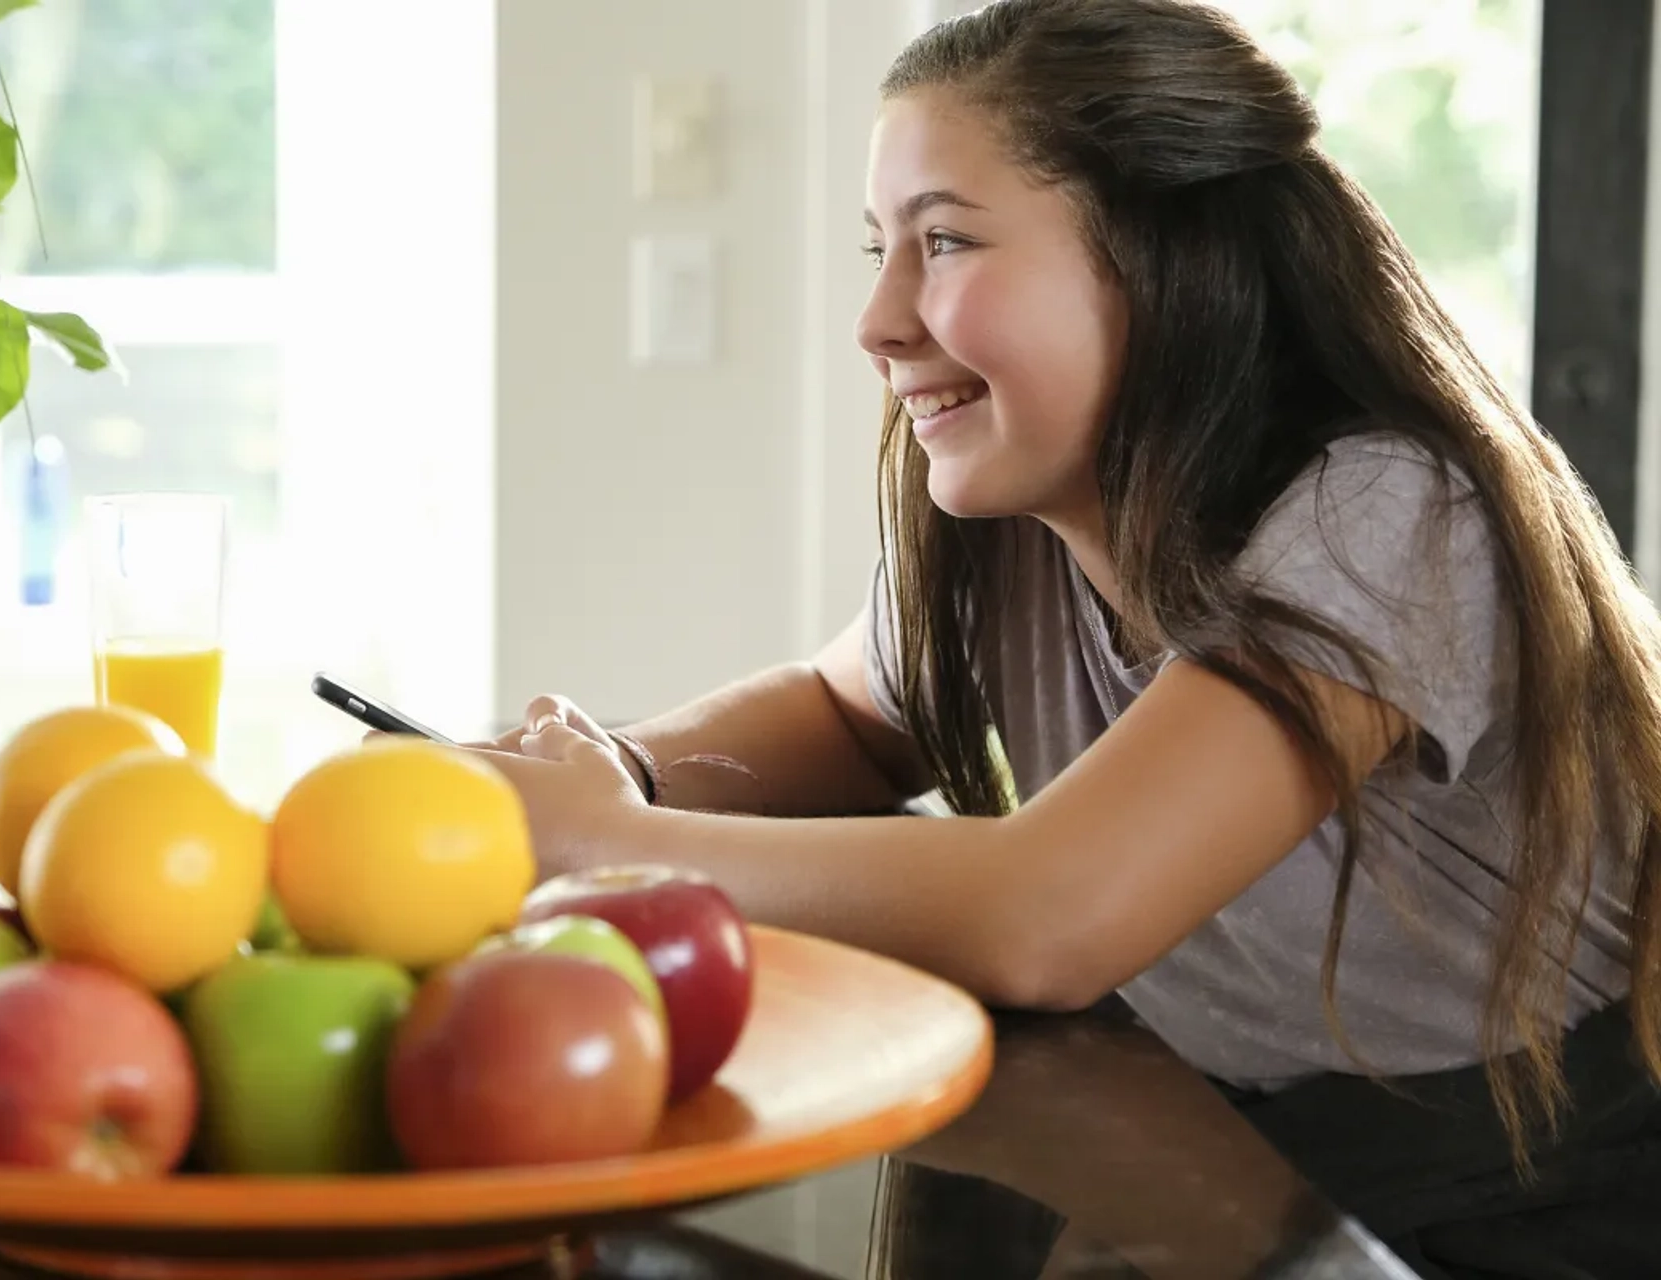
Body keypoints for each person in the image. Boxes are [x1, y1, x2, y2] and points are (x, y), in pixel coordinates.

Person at [470, 2, 1661, 1273]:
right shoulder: (1021, 517)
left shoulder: (1386, 514)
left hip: (1540, 1197)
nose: (877, 320)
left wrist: (611, 841)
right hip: (1243, 1138)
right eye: (879, 248)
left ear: (1163, 262)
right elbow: (841, 716)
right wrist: (615, 771)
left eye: (942, 242)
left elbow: (1055, 913)